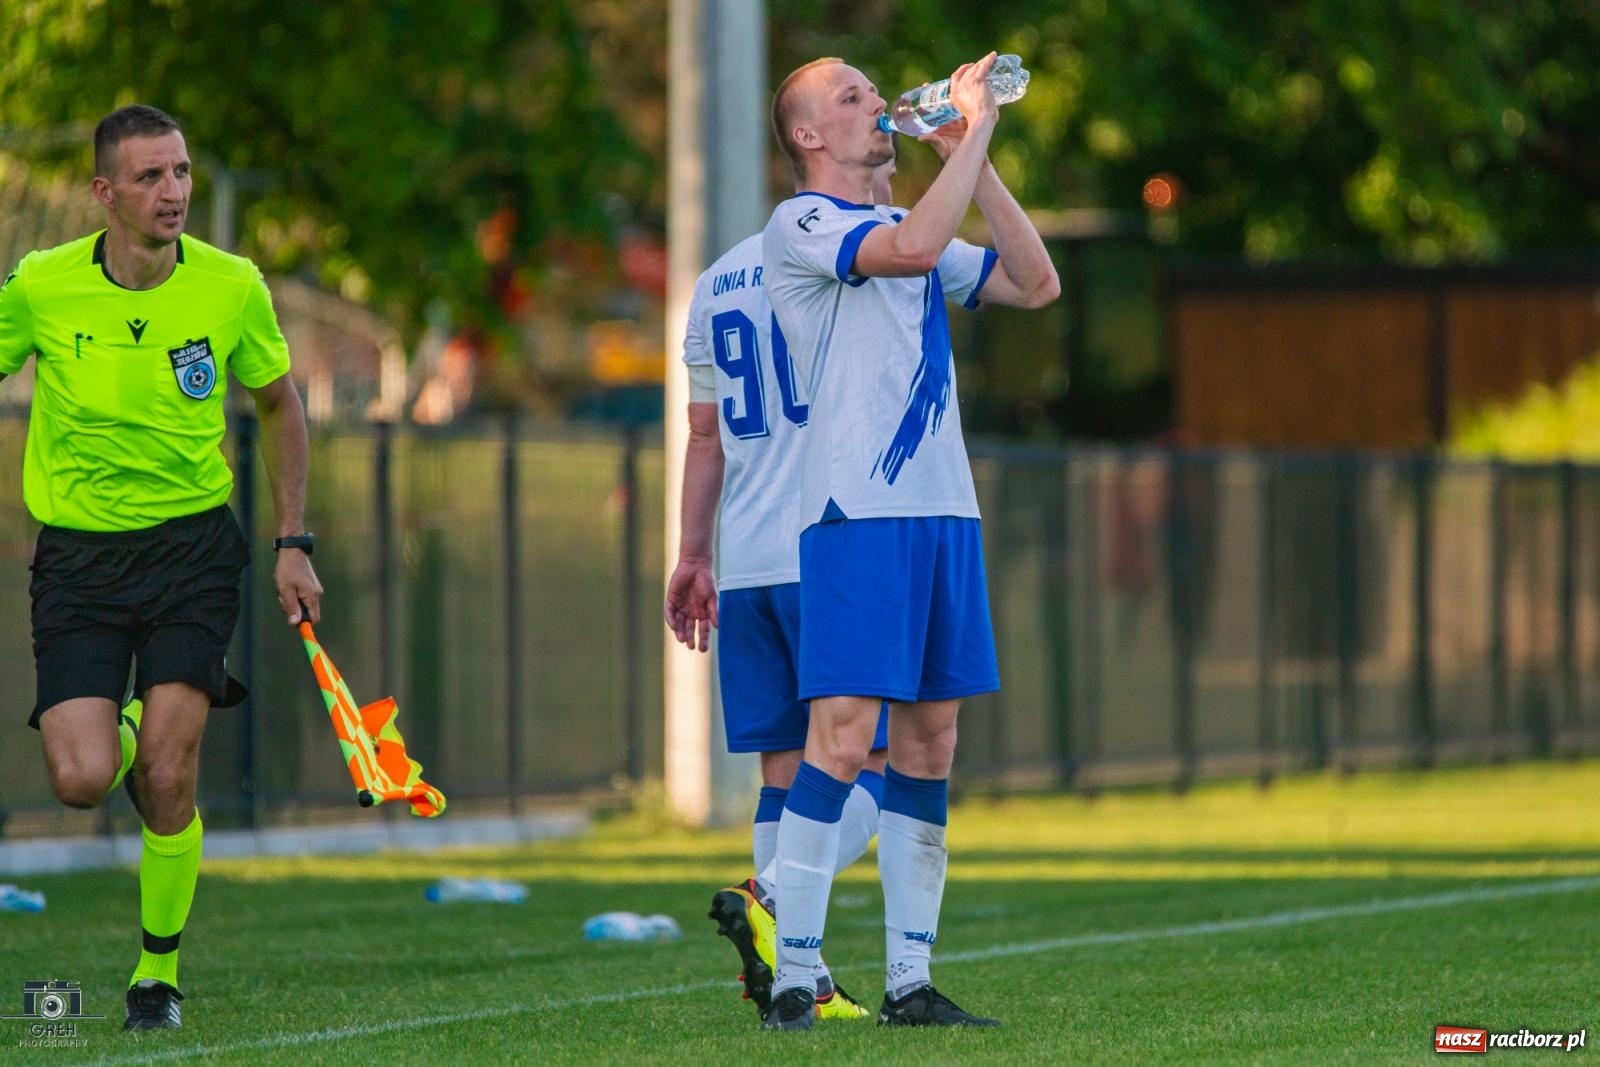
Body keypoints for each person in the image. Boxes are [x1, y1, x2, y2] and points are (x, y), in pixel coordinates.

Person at [0, 104, 323, 1031]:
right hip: (76, 562)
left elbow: (281, 403)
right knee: (81, 777)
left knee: (172, 773)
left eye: (180, 171)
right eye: (149, 177)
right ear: (104, 193)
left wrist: (293, 543)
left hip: (192, 550)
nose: (173, 191)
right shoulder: (42, 286)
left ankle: (156, 974)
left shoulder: (231, 286)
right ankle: (134, 725)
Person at [758, 54, 1060, 1030]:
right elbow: (917, 248)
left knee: (931, 743)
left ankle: (906, 982)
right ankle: (794, 973)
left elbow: (1033, 280)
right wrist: (971, 134)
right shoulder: (804, 222)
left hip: (943, 513)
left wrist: (968, 148)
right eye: (848, 96)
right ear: (808, 134)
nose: (871, 103)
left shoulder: (900, 226)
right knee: (843, 738)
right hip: (858, 517)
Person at [666, 159, 904, 1024]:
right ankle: (767, 892)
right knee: (876, 767)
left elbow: (704, 436)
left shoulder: (713, 280)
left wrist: (694, 553)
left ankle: (791, 979)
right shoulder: (832, 258)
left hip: (749, 557)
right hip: (828, 544)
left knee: (786, 775)